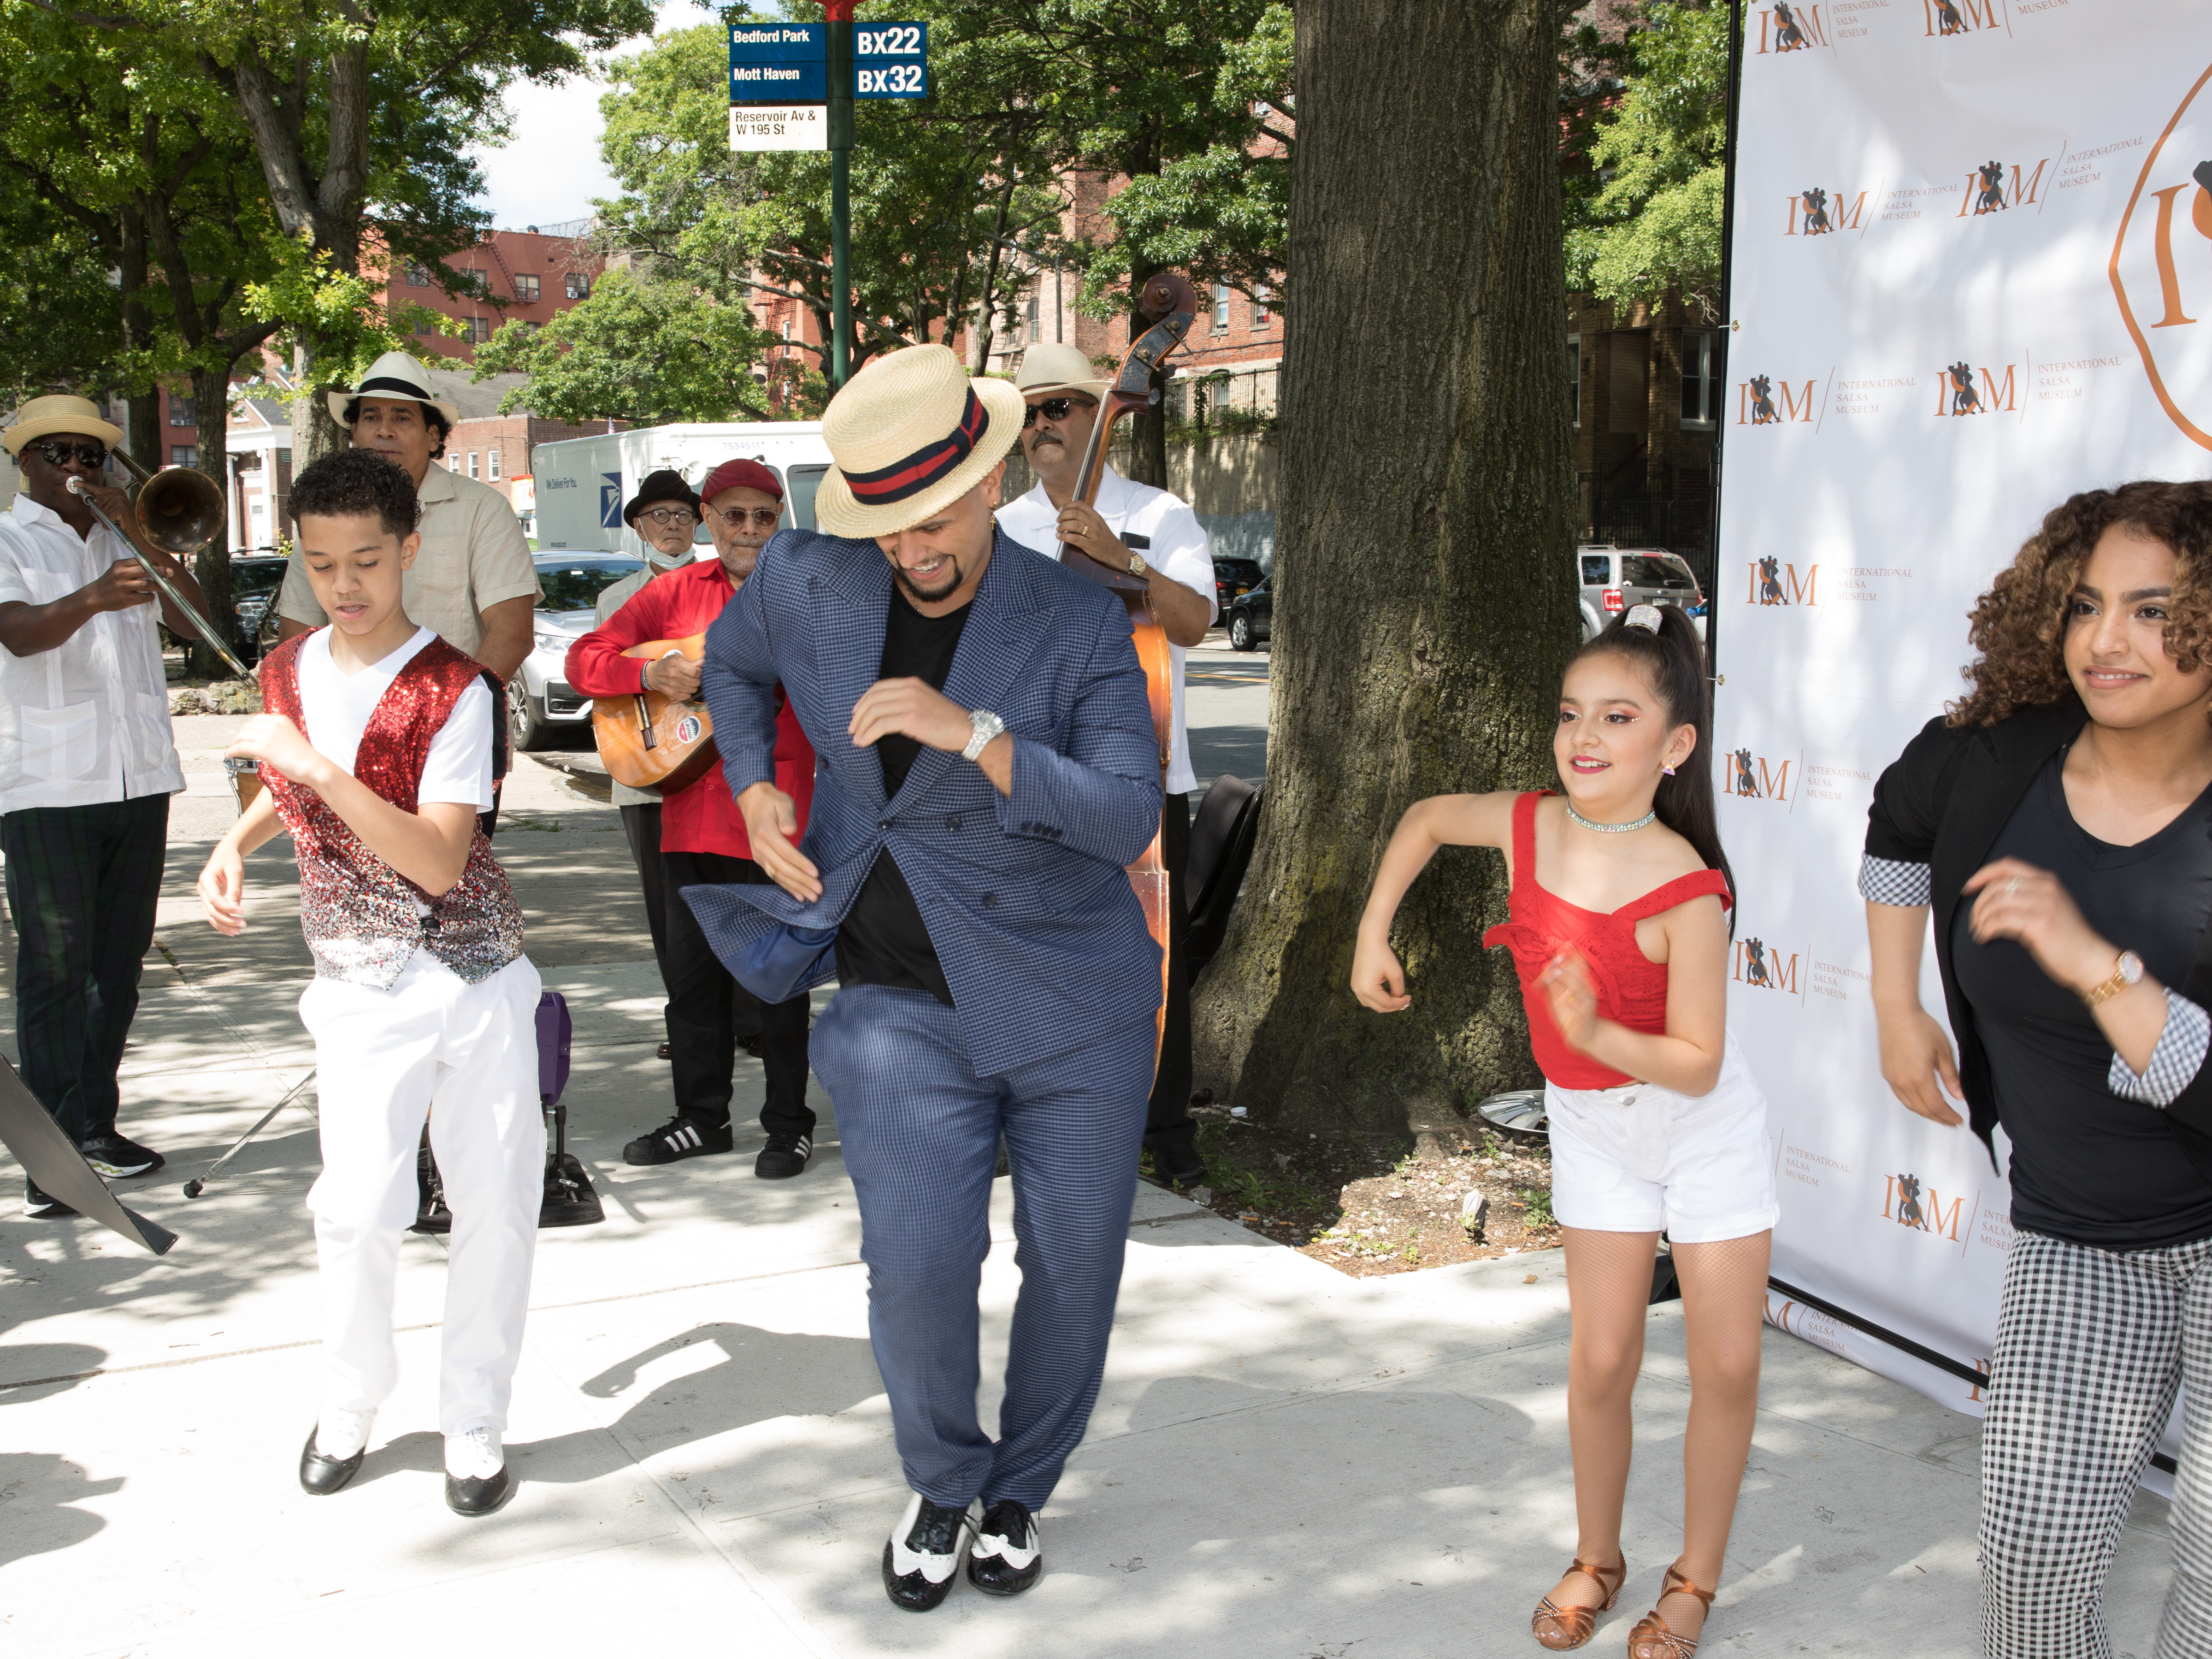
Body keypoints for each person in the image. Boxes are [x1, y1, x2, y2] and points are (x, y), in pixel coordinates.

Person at [686, 344, 1163, 1612]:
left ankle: (1020, 1486)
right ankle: (942, 1478)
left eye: (936, 513)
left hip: (1072, 997)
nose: (914, 544)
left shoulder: (1071, 615)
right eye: (886, 521)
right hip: (897, 995)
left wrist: (978, 735)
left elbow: (1122, 816)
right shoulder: (803, 575)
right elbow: (730, 666)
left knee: (1071, 1260)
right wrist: (750, 778)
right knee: (914, 1261)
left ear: (991, 471)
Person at [1352, 605, 1773, 1658]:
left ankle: (1692, 1580)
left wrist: (1591, 1028)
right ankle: (1597, 1558)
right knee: (1600, 1359)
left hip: (1702, 1134)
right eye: (1570, 713)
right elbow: (1423, 820)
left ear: (1672, 747)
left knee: (1724, 1365)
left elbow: (1697, 1062)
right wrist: (1371, 932)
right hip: (1592, 1129)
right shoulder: (1531, 822)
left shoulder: (1688, 888)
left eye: (1617, 718)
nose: (1583, 737)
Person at [1862, 480, 2212, 1659]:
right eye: (2083, 607)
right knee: (2028, 1577)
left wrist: (2090, 964)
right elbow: (1896, 826)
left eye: (2155, 611)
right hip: (2077, 1231)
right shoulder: (1996, 758)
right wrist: (1894, 1003)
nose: (2105, 642)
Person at [196, 449, 543, 1517]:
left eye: (366, 561)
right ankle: (350, 1401)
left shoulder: (457, 688)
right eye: (322, 563)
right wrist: (242, 836)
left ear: (409, 550)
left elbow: (437, 858)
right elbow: (292, 774)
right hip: (353, 975)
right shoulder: (287, 669)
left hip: (474, 971)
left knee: (494, 1202)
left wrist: (310, 772)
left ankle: (475, 1416)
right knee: (355, 1208)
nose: (346, 584)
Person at [994, 342, 1216, 1189]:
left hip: (1142, 778)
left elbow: (1193, 622)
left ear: (1102, 417)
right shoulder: (1004, 527)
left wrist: (1119, 559)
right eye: (1031, 414)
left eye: (1061, 406)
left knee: (1157, 957)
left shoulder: (1159, 514)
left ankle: (1167, 1128)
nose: (1044, 425)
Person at [566, 458, 817, 1178]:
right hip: (688, 814)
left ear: (779, 521)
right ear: (707, 519)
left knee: (779, 986)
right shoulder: (671, 593)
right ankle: (701, 1118)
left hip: (779, 816)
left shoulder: (808, 595)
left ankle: (788, 1124)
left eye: (762, 516)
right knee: (693, 984)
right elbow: (586, 659)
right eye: (732, 515)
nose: (746, 529)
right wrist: (649, 673)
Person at [0, 395, 209, 1211]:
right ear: (25, 462)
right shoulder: (9, 536)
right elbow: (16, 632)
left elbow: (198, 626)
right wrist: (93, 594)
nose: (79, 468)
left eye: (93, 455)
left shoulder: (130, 535)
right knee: (55, 966)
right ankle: (51, 1154)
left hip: (139, 776)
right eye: (59, 453)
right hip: (47, 783)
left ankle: (94, 1124)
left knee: (117, 967)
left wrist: (150, 539)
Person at [273, 350, 539, 679]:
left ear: (433, 436)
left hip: (455, 717)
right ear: (353, 432)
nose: (385, 431)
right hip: (348, 717)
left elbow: (512, 635)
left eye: (402, 418)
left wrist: (459, 710)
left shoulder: (482, 509)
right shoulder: (322, 515)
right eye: (371, 418)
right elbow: (296, 636)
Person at [593, 468, 711, 1063]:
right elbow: (600, 680)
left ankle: (745, 1017)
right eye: (659, 515)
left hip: (715, 771)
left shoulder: (724, 590)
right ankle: (689, 1024)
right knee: (668, 911)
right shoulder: (616, 600)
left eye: (682, 515)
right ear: (637, 525)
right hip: (645, 766)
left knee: (732, 899)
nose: (671, 525)